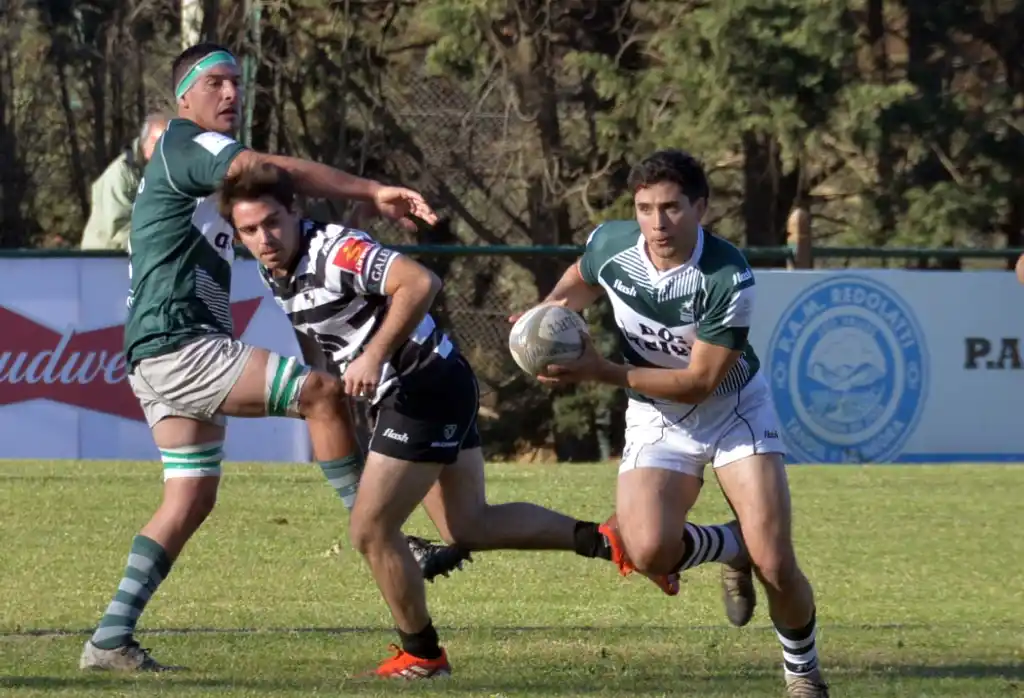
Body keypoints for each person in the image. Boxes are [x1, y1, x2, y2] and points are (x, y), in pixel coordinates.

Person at [215, 161, 697, 679]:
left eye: (272, 222)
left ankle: (422, 654)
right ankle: (612, 541)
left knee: (371, 530)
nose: (264, 238)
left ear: (294, 211)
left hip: (422, 388)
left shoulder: (334, 251)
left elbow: (420, 282)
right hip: (431, 385)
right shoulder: (274, 267)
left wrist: (373, 356)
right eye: (250, 230)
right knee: (468, 525)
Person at [78, 42, 464, 673]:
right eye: (216, 83)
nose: (232, 92)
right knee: (322, 394)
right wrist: (371, 190)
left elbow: (260, 182)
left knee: (189, 498)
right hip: (180, 342)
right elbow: (271, 169)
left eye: (237, 81)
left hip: (156, 352)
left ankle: (110, 639)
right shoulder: (185, 142)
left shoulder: (196, 160)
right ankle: (386, 532)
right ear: (183, 96)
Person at [527, 149, 829, 697]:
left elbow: (699, 382)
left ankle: (802, 673)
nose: (657, 223)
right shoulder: (612, 244)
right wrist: (547, 320)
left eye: (671, 208)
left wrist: (601, 371)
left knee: (777, 563)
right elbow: (581, 277)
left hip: (734, 411)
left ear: (700, 208)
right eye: (645, 209)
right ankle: (732, 545)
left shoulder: (727, 275)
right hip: (657, 416)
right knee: (646, 550)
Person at [80, 113, 169, 251]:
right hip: (105, 256)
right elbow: (120, 230)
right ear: (147, 143)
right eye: (162, 145)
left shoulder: (164, 172)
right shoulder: (120, 174)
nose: (168, 152)